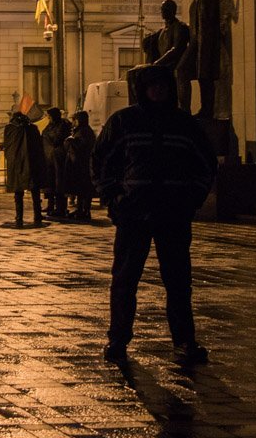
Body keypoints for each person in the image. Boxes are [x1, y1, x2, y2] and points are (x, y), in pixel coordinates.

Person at [93, 64, 217, 364]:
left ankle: (185, 340)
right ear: (143, 89)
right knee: (125, 279)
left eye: (163, 85)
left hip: (173, 213)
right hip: (133, 214)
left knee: (178, 281)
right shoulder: (124, 121)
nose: (158, 90)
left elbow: (206, 164)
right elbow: (101, 162)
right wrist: (115, 199)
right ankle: (118, 340)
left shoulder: (183, 124)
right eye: (152, 86)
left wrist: (192, 200)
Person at [181, 0, 220, 118]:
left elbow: (210, 16)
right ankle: (187, 110)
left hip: (207, 42)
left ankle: (207, 109)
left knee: (206, 76)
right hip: (197, 41)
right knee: (185, 70)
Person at [3, 110, 46, 226]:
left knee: (18, 192)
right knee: (35, 191)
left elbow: (7, 147)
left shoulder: (10, 129)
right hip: (32, 162)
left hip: (17, 163)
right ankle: (37, 215)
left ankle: (19, 216)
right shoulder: (33, 128)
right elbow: (39, 146)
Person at [153, 0, 193, 113]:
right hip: (166, 70)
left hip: (176, 68)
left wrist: (158, 62)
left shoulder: (179, 27)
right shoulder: (163, 30)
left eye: (165, 9)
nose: (162, 12)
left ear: (172, 11)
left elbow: (176, 49)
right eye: (162, 10)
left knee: (180, 99)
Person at [64, 111, 96, 221]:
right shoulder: (82, 131)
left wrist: (70, 142)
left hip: (83, 165)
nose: (73, 122)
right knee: (81, 189)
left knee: (84, 189)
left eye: (75, 120)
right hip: (80, 165)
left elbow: (82, 148)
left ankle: (84, 211)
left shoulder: (84, 132)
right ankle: (81, 209)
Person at [41, 107, 71, 217]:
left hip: (59, 157)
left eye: (49, 116)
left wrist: (47, 136)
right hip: (49, 157)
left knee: (59, 183)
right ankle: (50, 204)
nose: (47, 118)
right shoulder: (50, 125)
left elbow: (56, 139)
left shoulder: (63, 125)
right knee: (50, 182)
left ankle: (61, 207)